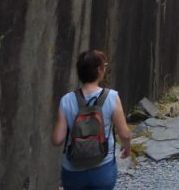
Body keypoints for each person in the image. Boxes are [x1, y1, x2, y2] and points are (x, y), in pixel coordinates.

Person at [52, 49, 132, 190]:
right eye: (105, 66)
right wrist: (127, 148)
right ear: (100, 70)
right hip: (103, 168)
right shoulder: (112, 97)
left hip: (72, 170)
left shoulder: (66, 100)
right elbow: (124, 134)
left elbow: (57, 140)